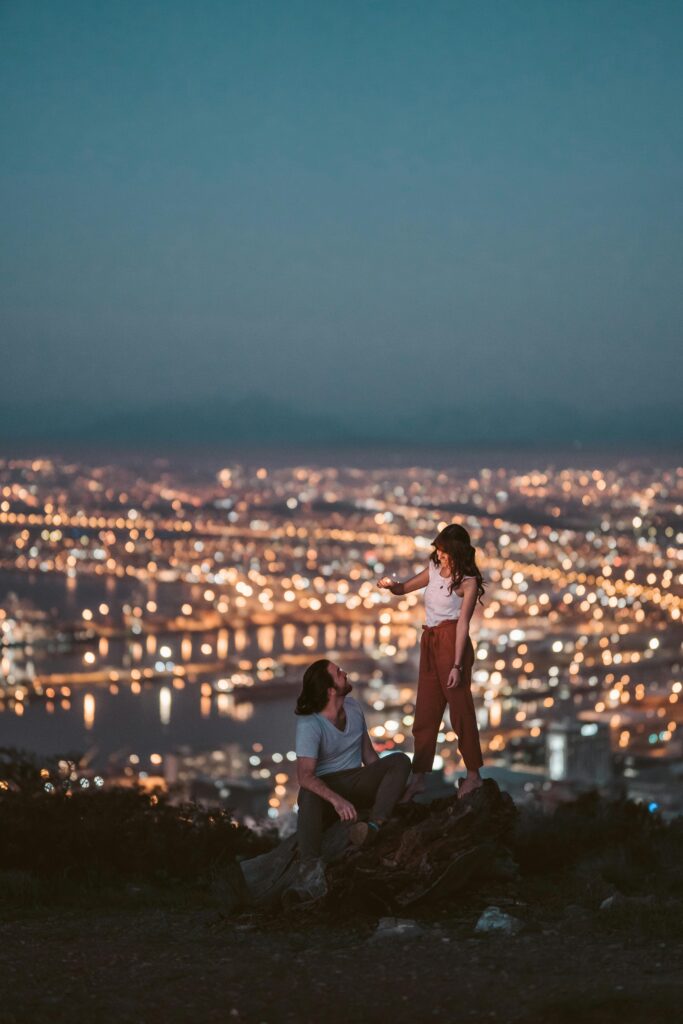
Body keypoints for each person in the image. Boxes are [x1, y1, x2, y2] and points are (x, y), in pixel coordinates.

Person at [378, 522, 485, 801]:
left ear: (457, 551)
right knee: (425, 712)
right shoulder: (434, 568)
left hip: (452, 643)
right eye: (438, 550)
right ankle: (419, 777)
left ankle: (474, 775)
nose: (439, 555)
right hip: (430, 641)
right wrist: (392, 586)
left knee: (460, 711)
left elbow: (463, 625)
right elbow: (404, 588)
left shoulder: (468, 583)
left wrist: (458, 666)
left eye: (444, 551)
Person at [294, 658, 411, 867]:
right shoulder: (310, 724)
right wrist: (337, 800)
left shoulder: (353, 707)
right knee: (308, 792)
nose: (345, 673)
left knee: (400, 760)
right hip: (326, 791)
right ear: (330, 690)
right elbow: (304, 776)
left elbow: (369, 755)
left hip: (356, 782)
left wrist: (390, 785)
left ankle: (373, 827)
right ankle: (309, 864)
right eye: (339, 673)